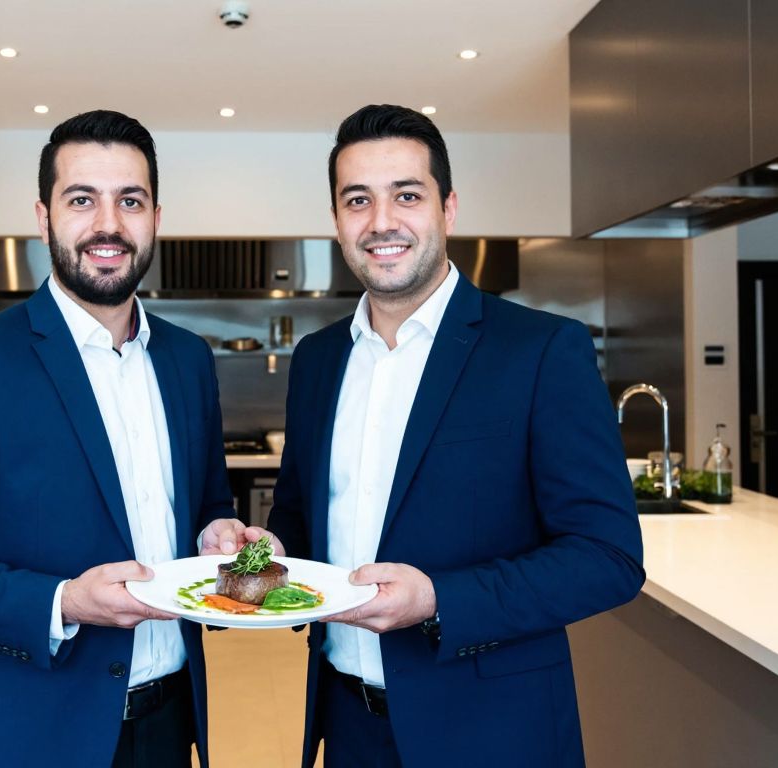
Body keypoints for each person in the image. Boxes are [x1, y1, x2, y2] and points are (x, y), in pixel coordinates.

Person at [0, 109, 270, 768]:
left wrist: (217, 536)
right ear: (43, 217)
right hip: (29, 732)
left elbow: (207, 506)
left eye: (130, 201)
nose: (108, 224)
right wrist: (63, 602)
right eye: (82, 199)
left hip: (171, 723)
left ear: (156, 218)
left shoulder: (187, 359)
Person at [266, 104, 646, 767]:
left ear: (449, 207)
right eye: (358, 200)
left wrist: (439, 600)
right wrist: (267, 552)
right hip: (347, 726)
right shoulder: (319, 360)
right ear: (336, 220)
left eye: (406, 195)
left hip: (492, 731)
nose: (381, 221)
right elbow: (300, 519)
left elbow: (607, 557)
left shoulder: (540, 350)